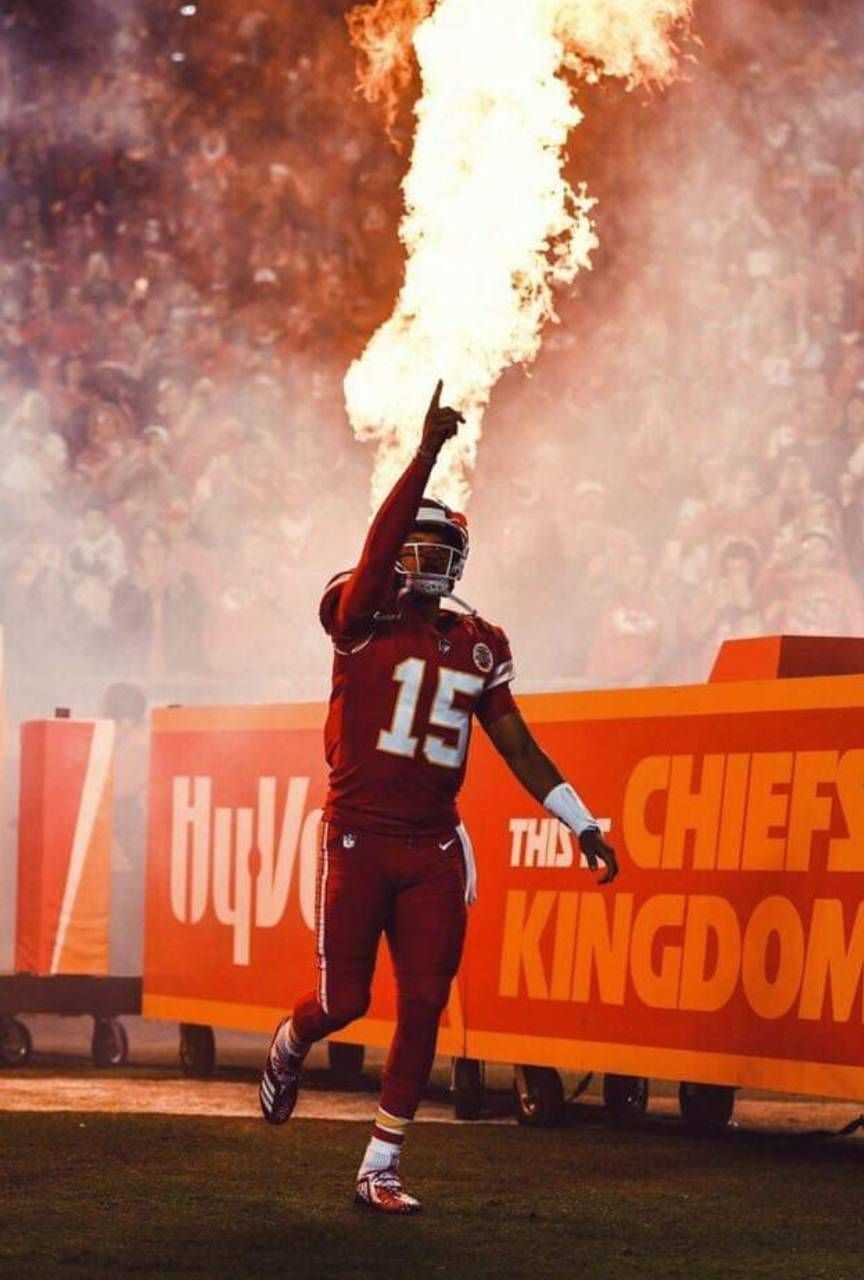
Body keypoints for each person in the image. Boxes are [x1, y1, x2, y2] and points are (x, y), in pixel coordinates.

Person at [259, 381, 618, 1214]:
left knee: (424, 1002)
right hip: (358, 836)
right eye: (417, 544)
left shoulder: (478, 643)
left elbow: (517, 744)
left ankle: (380, 1164)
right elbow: (376, 550)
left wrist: (580, 820)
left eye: (442, 547)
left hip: (432, 846)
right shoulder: (359, 617)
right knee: (344, 1002)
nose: (430, 559)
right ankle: (291, 1040)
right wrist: (424, 457)